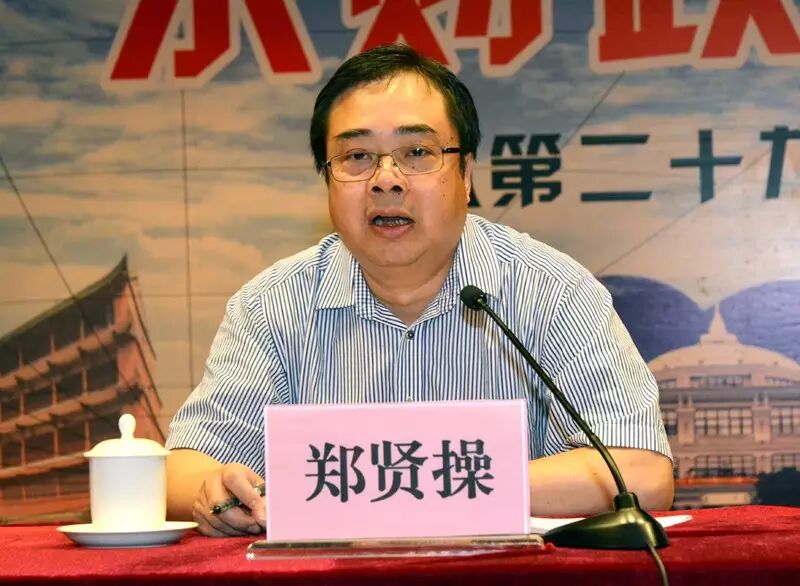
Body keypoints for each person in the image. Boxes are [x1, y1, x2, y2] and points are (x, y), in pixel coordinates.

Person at [165, 44, 674, 537]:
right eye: (357, 156)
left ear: (466, 174)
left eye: (416, 153)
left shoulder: (551, 290)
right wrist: (219, 494)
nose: (386, 180)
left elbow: (642, 473)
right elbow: (181, 472)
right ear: (327, 179)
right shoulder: (272, 305)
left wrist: (401, 487)